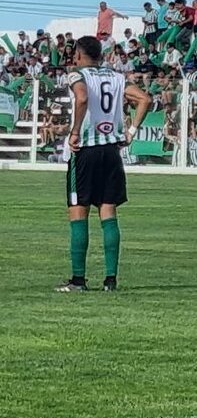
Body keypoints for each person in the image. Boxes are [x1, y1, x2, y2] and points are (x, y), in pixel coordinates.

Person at [58, 36, 151, 292]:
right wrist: (130, 131)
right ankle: (111, 280)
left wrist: (75, 132)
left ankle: (78, 280)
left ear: (78, 53)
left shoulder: (77, 75)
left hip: (86, 150)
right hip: (111, 151)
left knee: (79, 210)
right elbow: (144, 99)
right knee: (108, 212)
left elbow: (82, 98)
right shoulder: (117, 77)